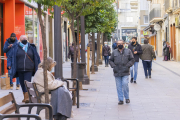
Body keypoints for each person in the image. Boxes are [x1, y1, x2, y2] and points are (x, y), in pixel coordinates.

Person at [7, 35, 40, 103]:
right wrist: (9, 64)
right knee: (22, 83)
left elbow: (37, 57)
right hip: (19, 69)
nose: (24, 39)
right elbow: (10, 56)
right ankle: (25, 97)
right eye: (22, 38)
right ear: (20, 40)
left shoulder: (32, 47)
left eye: (25, 38)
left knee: (26, 82)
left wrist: (39, 64)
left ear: (27, 39)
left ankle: (27, 97)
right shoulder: (15, 47)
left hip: (29, 69)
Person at [109, 40, 135, 105]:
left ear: (123, 44)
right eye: (118, 44)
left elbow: (132, 59)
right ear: (117, 45)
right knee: (118, 86)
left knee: (125, 84)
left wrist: (128, 65)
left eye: (121, 43)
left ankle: (127, 98)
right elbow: (110, 60)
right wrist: (113, 66)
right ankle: (120, 99)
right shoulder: (114, 52)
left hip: (125, 71)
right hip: (117, 72)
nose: (120, 44)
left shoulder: (128, 51)